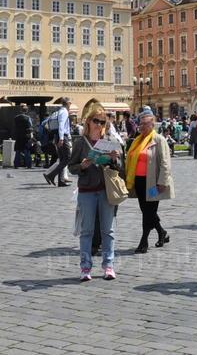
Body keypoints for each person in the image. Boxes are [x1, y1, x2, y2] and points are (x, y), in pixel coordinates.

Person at [68, 101, 124, 281]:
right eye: (96, 121)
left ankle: (108, 265)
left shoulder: (110, 141)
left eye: (103, 122)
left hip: (105, 190)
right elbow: (71, 167)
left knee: (108, 230)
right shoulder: (80, 142)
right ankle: (85, 267)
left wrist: (114, 160)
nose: (99, 125)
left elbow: (120, 168)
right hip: (86, 191)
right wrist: (83, 166)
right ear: (89, 122)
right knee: (87, 231)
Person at [126, 110, 173, 254]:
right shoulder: (137, 140)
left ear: (152, 125)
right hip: (139, 181)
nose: (142, 126)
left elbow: (165, 163)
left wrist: (162, 182)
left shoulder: (159, 140)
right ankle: (162, 232)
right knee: (147, 211)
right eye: (140, 123)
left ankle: (143, 240)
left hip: (153, 183)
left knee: (149, 211)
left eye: (145, 124)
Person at [43, 97, 73, 187]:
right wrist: (61, 139)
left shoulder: (59, 111)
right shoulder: (64, 112)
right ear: (67, 103)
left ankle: (61, 181)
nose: (70, 105)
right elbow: (61, 125)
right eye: (70, 103)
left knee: (62, 159)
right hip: (63, 137)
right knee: (67, 158)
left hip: (58, 136)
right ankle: (51, 175)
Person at [13, 104, 34, 168]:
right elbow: (30, 128)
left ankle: (16, 165)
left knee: (18, 151)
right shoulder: (28, 118)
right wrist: (31, 136)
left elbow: (14, 127)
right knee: (27, 151)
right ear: (26, 111)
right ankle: (29, 165)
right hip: (26, 136)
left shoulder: (16, 118)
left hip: (18, 136)